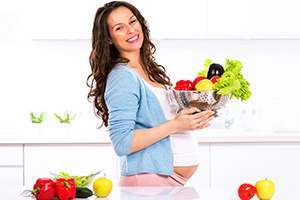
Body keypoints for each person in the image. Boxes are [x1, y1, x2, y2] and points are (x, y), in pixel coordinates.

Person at [87, 1, 215, 186]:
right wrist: (176, 125)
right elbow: (122, 143)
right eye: (119, 28)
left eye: (132, 22)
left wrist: (190, 119)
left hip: (167, 182)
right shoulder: (122, 77)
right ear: (108, 38)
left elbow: (159, 120)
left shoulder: (148, 69)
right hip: (149, 181)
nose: (131, 30)